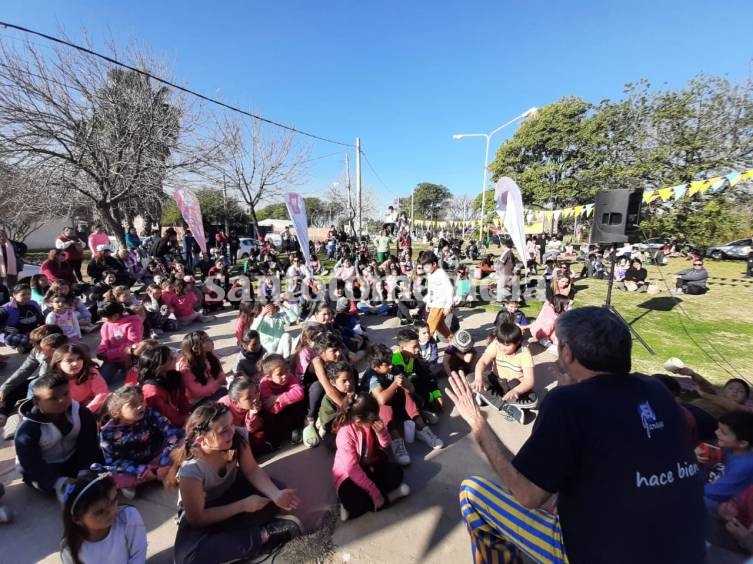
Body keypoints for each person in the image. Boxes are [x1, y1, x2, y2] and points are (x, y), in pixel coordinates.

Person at [446, 306, 706, 564]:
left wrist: (478, 423)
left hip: (595, 553)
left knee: (472, 492)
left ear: (567, 353)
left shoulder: (567, 401)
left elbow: (527, 494)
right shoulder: (657, 390)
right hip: (686, 551)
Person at [167, 403, 302, 564]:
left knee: (277, 493)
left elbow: (251, 470)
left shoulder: (235, 439)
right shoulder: (191, 470)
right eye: (223, 430)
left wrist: (275, 494)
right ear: (202, 440)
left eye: (232, 424)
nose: (232, 430)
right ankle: (262, 536)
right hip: (207, 511)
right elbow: (197, 519)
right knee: (188, 558)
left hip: (231, 492)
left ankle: (229, 540)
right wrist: (243, 506)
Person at [15, 373, 103, 495]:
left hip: (74, 459)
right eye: (53, 398)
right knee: (47, 485)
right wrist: (59, 482)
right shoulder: (27, 429)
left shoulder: (81, 413)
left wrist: (84, 471)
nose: (62, 400)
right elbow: (31, 464)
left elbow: (88, 444)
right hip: (46, 466)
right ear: (36, 401)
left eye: (66, 394)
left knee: (101, 465)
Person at [332, 392, 410, 522]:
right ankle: (389, 497)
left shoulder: (371, 421)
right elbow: (352, 469)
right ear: (358, 421)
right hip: (349, 475)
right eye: (372, 420)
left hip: (370, 466)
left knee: (396, 473)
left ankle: (379, 499)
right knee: (354, 501)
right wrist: (374, 492)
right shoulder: (344, 434)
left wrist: (382, 432)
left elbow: (385, 445)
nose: (377, 420)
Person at [364, 344, 443, 466]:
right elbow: (381, 399)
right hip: (380, 412)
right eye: (387, 365)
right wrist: (395, 384)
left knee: (405, 392)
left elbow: (411, 389)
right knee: (383, 405)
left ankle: (422, 429)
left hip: (398, 405)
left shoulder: (393, 369)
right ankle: (396, 441)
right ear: (375, 366)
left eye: (391, 362)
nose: (391, 366)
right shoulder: (371, 376)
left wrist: (404, 383)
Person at [99, 386, 183, 497]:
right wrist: (144, 471)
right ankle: (160, 474)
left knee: (183, 440)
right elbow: (114, 462)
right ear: (116, 413)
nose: (140, 407)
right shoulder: (108, 434)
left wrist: (163, 461)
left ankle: (163, 471)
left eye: (141, 401)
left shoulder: (149, 414)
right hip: (134, 466)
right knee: (112, 476)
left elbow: (170, 432)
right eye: (133, 405)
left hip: (157, 455)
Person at [60, 470, 147, 564]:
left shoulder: (128, 517)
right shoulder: (70, 547)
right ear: (77, 519)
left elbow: (138, 553)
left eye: (114, 501)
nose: (112, 511)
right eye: (100, 512)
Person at [0, 328, 67, 431]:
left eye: (35, 344)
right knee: (14, 387)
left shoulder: (66, 353)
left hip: (56, 384)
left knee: (35, 387)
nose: (32, 345)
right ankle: (3, 413)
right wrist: (5, 387)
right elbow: (24, 370)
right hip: (41, 380)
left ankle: (28, 417)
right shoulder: (36, 351)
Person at [472, 322, 537, 423]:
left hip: (513, 385)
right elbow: (483, 362)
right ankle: (506, 407)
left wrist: (516, 391)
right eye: (500, 342)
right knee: (472, 378)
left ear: (517, 342)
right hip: (497, 380)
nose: (502, 347)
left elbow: (529, 381)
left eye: (507, 345)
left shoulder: (524, 353)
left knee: (533, 400)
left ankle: (488, 397)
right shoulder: (496, 344)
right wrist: (478, 378)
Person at [698, 411, 753, 508]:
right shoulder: (731, 448)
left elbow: (715, 492)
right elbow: (709, 452)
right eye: (718, 428)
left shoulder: (744, 466)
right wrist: (698, 453)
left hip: (723, 503)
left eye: (723, 432)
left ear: (742, 443)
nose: (716, 432)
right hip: (710, 484)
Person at [138, 345, 191, 428]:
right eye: (170, 357)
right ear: (160, 366)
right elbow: (166, 416)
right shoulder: (152, 391)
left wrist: (186, 415)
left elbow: (183, 399)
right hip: (164, 426)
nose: (175, 357)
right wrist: (185, 420)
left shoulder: (173, 375)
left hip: (181, 418)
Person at [259, 354, 306, 446]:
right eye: (279, 374)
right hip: (275, 416)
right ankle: (274, 437)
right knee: (266, 415)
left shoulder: (290, 377)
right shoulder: (264, 384)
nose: (284, 376)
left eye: (286, 371)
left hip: (288, 411)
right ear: (269, 377)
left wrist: (277, 398)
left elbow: (299, 393)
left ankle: (296, 429)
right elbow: (270, 408)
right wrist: (288, 398)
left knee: (298, 404)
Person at [50, 343, 109, 416]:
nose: (75, 363)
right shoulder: (53, 380)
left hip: (91, 404)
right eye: (69, 361)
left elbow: (102, 394)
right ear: (58, 364)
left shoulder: (91, 372)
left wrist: (87, 411)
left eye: (79, 359)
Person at [218, 376, 270, 456]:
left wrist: (252, 413)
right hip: (228, 440)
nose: (255, 399)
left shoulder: (255, 402)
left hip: (245, 433)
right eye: (249, 398)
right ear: (236, 403)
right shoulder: (224, 408)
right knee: (233, 451)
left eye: (256, 392)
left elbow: (251, 429)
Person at [96, 302, 144, 386]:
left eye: (105, 317)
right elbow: (105, 340)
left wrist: (109, 354)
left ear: (116, 315)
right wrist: (101, 351)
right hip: (112, 359)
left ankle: (130, 369)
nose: (103, 319)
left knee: (133, 381)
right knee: (102, 381)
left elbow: (133, 345)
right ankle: (123, 369)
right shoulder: (106, 325)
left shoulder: (132, 323)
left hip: (130, 358)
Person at [0, 283, 44, 353]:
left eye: (29, 294)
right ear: (14, 295)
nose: (27, 296)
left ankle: (30, 346)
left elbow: (41, 318)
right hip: (17, 334)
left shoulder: (33, 304)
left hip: (32, 333)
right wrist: (3, 329)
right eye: (23, 294)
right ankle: (34, 346)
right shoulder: (6, 309)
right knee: (10, 339)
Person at [420, 251, 454, 342]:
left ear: (434, 264)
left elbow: (450, 288)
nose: (425, 269)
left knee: (429, 328)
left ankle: (425, 346)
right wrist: (428, 303)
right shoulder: (430, 274)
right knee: (440, 326)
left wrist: (448, 305)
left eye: (427, 266)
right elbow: (431, 289)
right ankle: (454, 341)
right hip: (433, 303)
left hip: (440, 304)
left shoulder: (441, 273)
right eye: (424, 267)